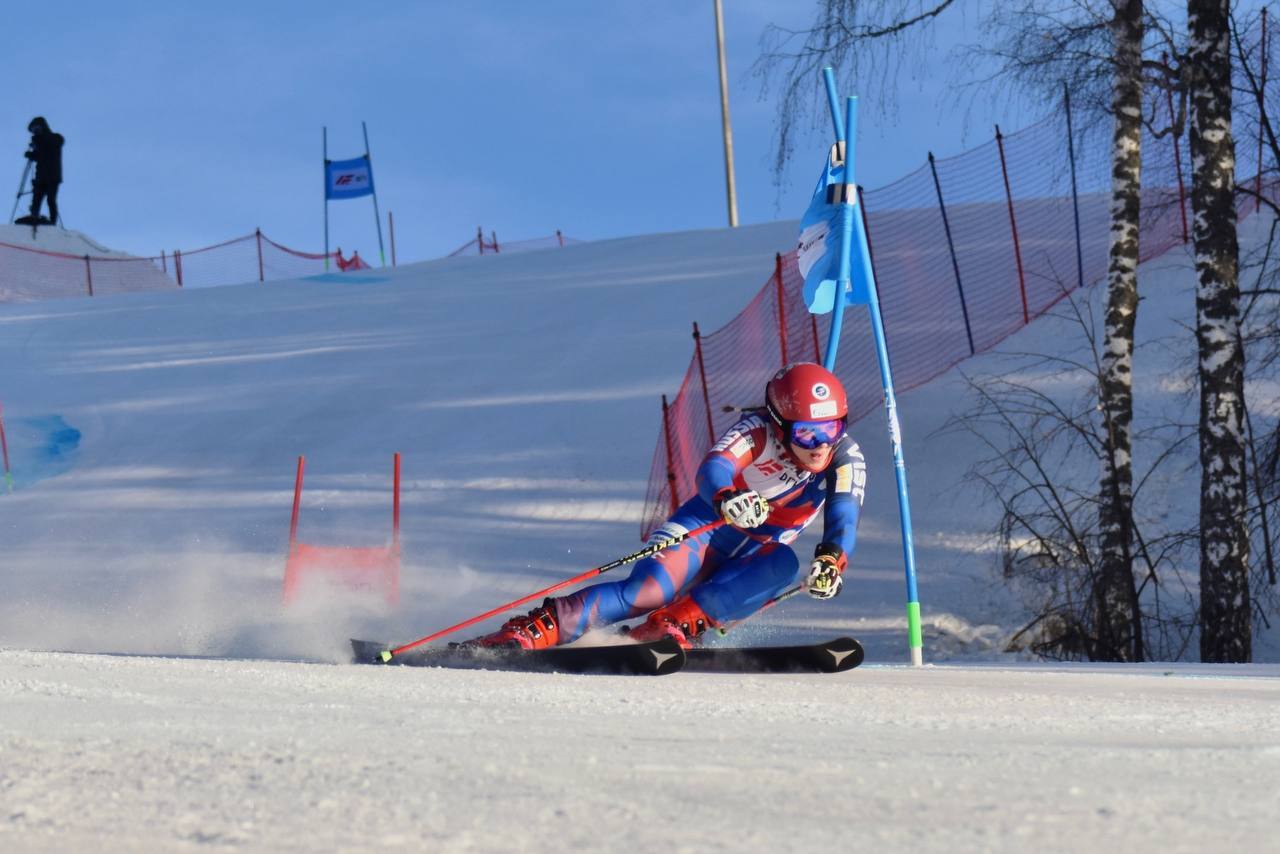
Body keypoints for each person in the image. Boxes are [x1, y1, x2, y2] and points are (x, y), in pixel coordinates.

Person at [468, 362, 867, 650]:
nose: (821, 445)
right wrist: (727, 497)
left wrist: (832, 561)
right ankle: (535, 630)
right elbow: (714, 468)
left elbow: (844, 516)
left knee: (783, 563)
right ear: (780, 425)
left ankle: (666, 628)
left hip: (754, 553)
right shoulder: (757, 432)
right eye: (807, 433)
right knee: (646, 592)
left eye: (832, 428)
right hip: (705, 529)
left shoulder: (844, 458)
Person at [24, 116, 64, 226]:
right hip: (41, 176)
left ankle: (52, 222)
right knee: (36, 198)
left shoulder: (56, 138)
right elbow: (40, 156)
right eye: (33, 130)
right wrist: (32, 154)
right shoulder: (41, 142)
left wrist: (38, 143)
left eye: (36, 128)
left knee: (50, 200)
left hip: (52, 175)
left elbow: (51, 146)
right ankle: (34, 217)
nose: (35, 132)